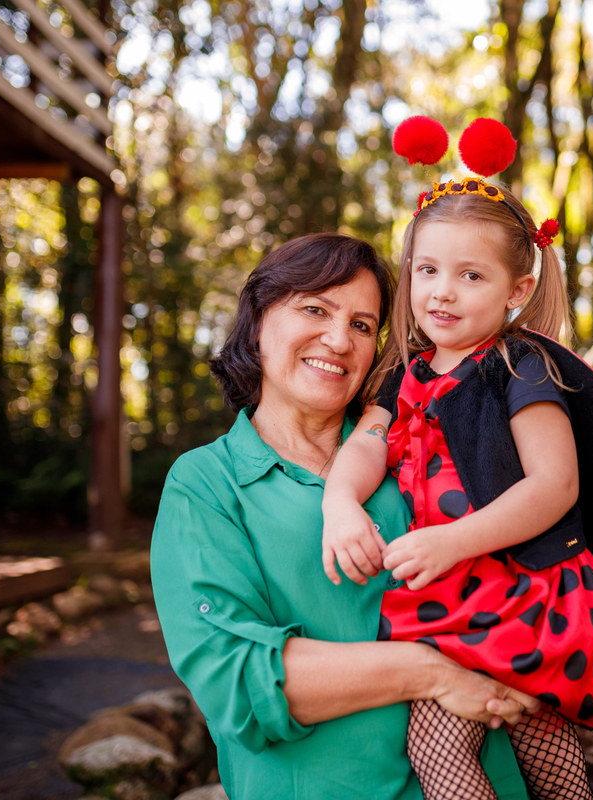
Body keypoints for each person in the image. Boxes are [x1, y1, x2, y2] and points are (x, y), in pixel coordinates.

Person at [321, 119, 593, 800]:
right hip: (453, 601)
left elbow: (554, 485)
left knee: (551, 768)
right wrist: (340, 502)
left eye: (469, 275)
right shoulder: (407, 371)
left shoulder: (520, 365)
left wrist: (453, 539)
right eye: (427, 270)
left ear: (517, 289)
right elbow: (367, 443)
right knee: (438, 752)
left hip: (531, 592)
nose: (441, 292)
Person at [151, 232, 539, 800]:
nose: (338, 339)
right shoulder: (207, 484)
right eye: (314, 309)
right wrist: (427, 672)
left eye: (362, 325)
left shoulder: (422, 445)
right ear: (258, 320)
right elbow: (237, 680)